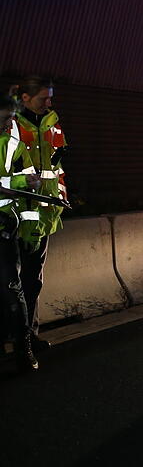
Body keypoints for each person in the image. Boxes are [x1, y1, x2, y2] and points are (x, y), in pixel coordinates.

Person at [10, 77, 67, 354]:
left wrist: (62, 197)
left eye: (50, 98)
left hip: (43, 213)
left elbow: (57, 167)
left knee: (33, 280)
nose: (49, 103)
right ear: (24, 98)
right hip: (14, 214)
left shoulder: (52, 123)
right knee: (12, 284)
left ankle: (29, 337)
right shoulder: (10, 126)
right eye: (44, 98)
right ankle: (15, 338)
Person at [0, 97, 41, 371]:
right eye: (4, 119)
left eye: (10, 119)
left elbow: (6, 179)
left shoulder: (8, 142)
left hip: (3, 222)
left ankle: (23, 349)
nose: (8, 125)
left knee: (11, 287)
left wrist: (22, 182)